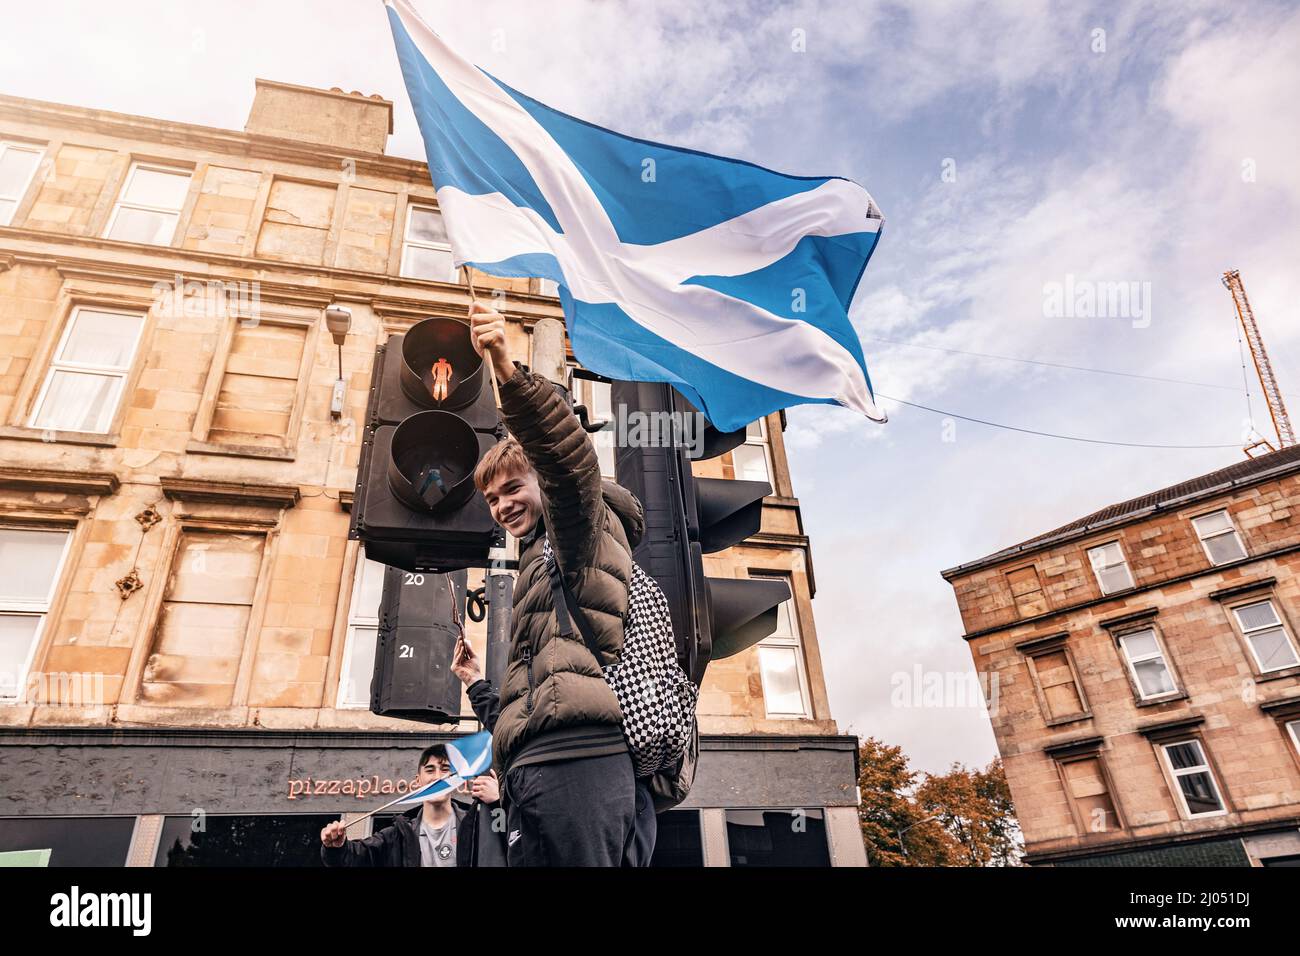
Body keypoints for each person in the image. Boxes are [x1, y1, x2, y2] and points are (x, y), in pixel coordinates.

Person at [451, 300, 650, 867]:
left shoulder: (578, 534)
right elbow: (523, 709)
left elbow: (568, 463)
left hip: (581, 764)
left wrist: (504, 370)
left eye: (513, 488)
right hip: (532, 774)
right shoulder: (536, 568)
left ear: (540, 479)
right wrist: (473, 683)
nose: (502, 505)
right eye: (491, 498)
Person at [319, 744, 506, 867]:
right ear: (418, 781)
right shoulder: (398, 834)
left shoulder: (475, 825)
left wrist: (498, 803)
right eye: (430, 770)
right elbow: (353, 858)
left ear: (457, 780)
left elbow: (512, 844)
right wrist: (336, 847)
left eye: (445, 770)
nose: (437, 777)